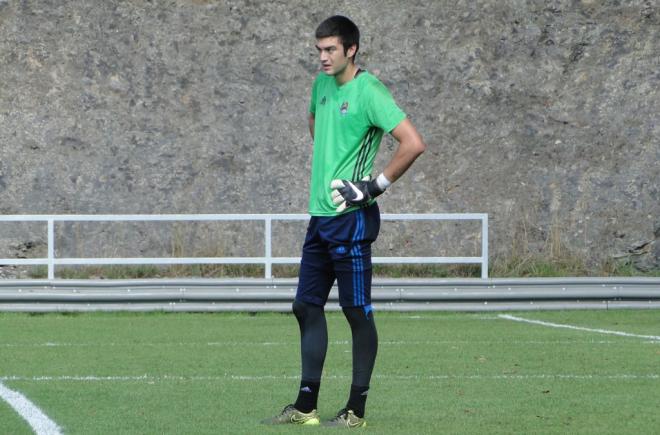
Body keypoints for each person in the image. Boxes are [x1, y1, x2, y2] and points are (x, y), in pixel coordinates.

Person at [263, 15, 426, 428]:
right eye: (319, 49)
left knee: (357, 312)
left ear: (351, 49)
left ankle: (356, 410)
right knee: (305, 306)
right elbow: (317, 125)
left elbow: (413, 143)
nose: (322, 57)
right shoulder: (320, 85)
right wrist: (330, 161)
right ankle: (305, 407)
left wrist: (372, 187)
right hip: (319, 217)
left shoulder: (369, 90)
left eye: (330, 49)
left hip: (351, 220)